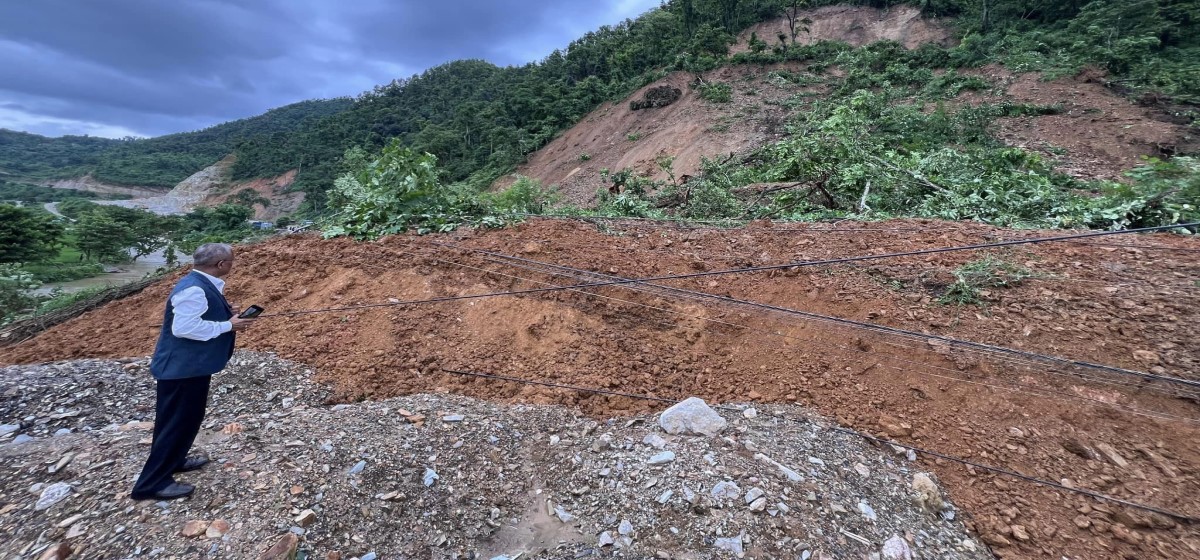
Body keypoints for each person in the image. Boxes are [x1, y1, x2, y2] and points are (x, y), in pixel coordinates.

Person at [130, 243, 255, 500]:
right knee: (175, 424)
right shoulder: (195, 289)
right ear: (221, 264)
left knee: (186, 420)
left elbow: (198, 318)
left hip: (190, 367)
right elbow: (184, 328)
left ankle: (175, 461)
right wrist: (227, 326)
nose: (233, 265)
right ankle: (151, 484)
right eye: (231, 262)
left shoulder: (200, 283)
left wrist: (225, 315)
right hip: (181, 369)